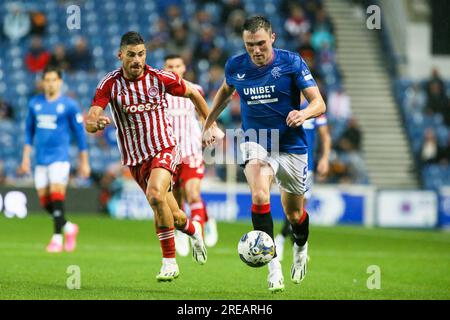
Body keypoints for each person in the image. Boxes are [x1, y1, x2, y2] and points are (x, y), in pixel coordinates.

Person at [202, 16, 326, 292]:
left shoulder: (291, 62)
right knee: (259, 194)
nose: (256, 51)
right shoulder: (236, 65)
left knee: (294, 215)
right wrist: (208, 122)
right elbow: (224, 93)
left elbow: (319, 103)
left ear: (272, 38)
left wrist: (303, 112)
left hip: (292, 145)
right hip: (256, 140)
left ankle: (301, 247)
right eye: (249, 46)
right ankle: (273, 268)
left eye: (260, 44)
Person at [85, 31, 220, 281]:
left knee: (155, 194)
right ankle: (193, 230)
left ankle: (169, 263)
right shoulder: (110, 83)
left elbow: (193, 93)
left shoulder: (159, 77)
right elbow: (91, 117)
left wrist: (209, 123)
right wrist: (95, 123)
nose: (137, 60)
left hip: (165, 148)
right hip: (136, 159)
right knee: (175, 215)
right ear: (120, 55)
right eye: (131, 55)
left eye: (141, 54)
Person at [18, 66, 90, 253]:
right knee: (45, 202)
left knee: (57, 196)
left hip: (60, 157)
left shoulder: (69, 105)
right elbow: (28, 132)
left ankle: (57, 238)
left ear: (60, 82)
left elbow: (80, 135)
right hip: (40, 159)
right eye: (47, 80)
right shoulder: (35, 103)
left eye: (53, 80)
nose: (50, 83)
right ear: (43, 82)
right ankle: (69, 227)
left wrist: (84, 162)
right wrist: (25, 159)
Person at [163, 54, 220, 255]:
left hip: (191, 151)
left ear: (183, 68)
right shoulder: (158, 93)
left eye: (177, 66)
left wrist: (211, 130)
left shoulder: (194, 89)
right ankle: (199, 222)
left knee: (193, 193)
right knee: (177, 201)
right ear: (164, 68)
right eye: (169, 66)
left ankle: (199, 236)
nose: (173, 69)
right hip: (170, 155)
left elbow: (204, 113)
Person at [274, 94, 331, 260]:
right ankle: (289, 242)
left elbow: (325, 136)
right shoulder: (283, 106)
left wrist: (325, 158)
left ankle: (284, 240)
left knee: (299, 208)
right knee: (292, 207)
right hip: (285, 161)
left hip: (307, 165)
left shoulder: (314, 108)